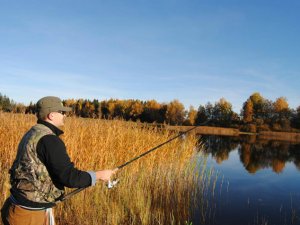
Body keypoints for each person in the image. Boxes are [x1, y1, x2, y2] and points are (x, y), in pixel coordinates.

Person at [1, 96, 117, 225]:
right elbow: (69, 177)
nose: (64, 116)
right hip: (30, 215)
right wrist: (100, 175)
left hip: (15, 206)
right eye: (62, 112)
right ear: (51, 115)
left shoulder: (33, 132)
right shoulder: (50, 140)